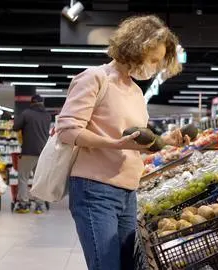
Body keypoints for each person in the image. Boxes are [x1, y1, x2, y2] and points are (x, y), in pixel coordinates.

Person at [56, 15, 187, 270]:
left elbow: (134, 142)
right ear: (136, 47)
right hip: (95, 190)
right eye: (153, 59)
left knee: (130, 266)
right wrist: (117, 144)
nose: (155, 67)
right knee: (106, 265)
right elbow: (68, 131)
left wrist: (166, 141)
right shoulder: (95, 78)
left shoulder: (136, 91)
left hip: (128, 193)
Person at [13, 95, 52, 214]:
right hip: (42, 153)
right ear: (42, 103)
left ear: (32, 103)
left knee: (23, 178)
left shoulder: (26, 113)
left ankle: (24, 204)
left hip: (28, 151)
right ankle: (39, 205)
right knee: (38, 179)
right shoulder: (47, 116)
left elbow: (15, 127)